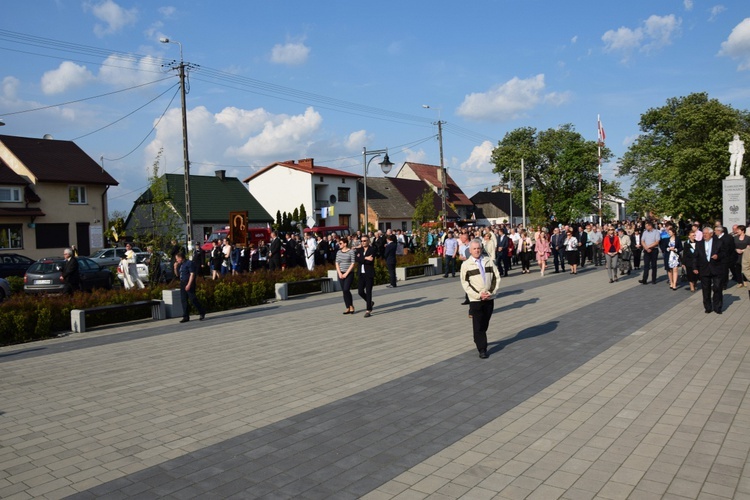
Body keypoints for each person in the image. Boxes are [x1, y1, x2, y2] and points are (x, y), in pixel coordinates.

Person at [460, 238, 501, 359]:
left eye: (478, 248)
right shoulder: (466, 265)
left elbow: (496, 277)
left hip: (489, 297)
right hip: (476, 300)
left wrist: (491, 292)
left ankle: (478, 336)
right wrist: (478, 295)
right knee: (478, 324)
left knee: (484, 323)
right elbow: (465, 283)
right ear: (470, 250)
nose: (477, 251)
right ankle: (482, 348)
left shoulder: (488, 261)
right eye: (474, 249)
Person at [693, 226, 726, 314]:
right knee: (706, 289)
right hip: (704, 269)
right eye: (703, 233)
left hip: (716, 268)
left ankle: (717, 307)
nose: (704, 235)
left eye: (706, 233)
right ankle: (708, 307)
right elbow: (695, 256)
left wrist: (718, 256)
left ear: (711, 234)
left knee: (717, 288)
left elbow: (724, 254)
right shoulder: (699, 244)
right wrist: (695, 267)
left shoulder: (719, 242)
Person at [175, 251, 206, 323]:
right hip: (182, 283)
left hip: (189, 282)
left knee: (193, 298)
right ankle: (185, 316)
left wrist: (189, 284)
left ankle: (201, 311)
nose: (176, 260)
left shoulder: (189, 263)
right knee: (183, 300)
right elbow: (177, 275)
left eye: (177, 259)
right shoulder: (181, 265)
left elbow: (192, 274)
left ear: (180, 258)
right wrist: (175, 268)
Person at [355, 234, 375, 317]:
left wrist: (362, 259)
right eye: (362, 241)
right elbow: (356, 259)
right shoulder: (359, 250)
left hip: (369, 273)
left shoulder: (372, 249)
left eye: (365, 241)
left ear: (368, 241)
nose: (363, 242)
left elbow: (370, 261)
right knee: (360, 291)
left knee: (368, 291)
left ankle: (368, 310)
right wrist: (365, 258)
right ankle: (370, 302)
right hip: (361, 273)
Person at [335, 237, 357, 314]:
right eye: (339, 243)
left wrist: (346, 273)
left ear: (345, 244)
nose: (339, 244)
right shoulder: (338, 252)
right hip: (340, 273)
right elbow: (337, 263)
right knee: (344, 291)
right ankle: (348, 307)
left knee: (346, 289)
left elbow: (353, 263)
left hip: (349, 273)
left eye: (340, 243)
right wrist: (340, 273)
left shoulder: (351, 252)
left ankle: (351, 306)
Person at [639, 221, 661, 285]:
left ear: (650, 226)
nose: (646, 227)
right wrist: (646, 248)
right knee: (646, 265)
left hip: (654, 250)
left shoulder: (656, 232)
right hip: (646, 250)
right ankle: (644, 279)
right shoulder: (645, 232)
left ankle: (653, 279)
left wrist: (649, 247)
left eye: (646, 226)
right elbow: (642, 241)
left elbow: (657, 242)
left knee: (654, 265)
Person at [682, 229, 699, 293]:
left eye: (694, 235)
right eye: (692, 235)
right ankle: (691, 286)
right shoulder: (686, 244)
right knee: (690, 274)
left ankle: (695, 283)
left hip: (696, 261)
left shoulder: (698, 242)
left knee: (696, 275)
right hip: (689, 261)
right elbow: (685, 253)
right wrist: (683, 263)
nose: (694, 236)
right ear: (689, 236)